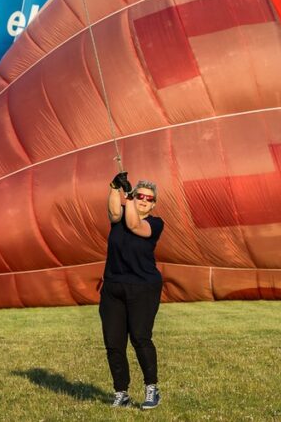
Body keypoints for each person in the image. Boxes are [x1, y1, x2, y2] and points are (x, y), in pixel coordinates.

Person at [100, 171, 165, 409]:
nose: (143, 200)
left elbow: (133, 223)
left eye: (148, 198)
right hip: (113, 287)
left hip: (143, 288)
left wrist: (126, 194)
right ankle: (121, 393)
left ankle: (151, 389)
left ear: (153, 204)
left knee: (140, 337)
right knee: (114, 343)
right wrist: (114, 186)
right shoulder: (117, 219)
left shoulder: (154, 224)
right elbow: (115, 212)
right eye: (139, 195)